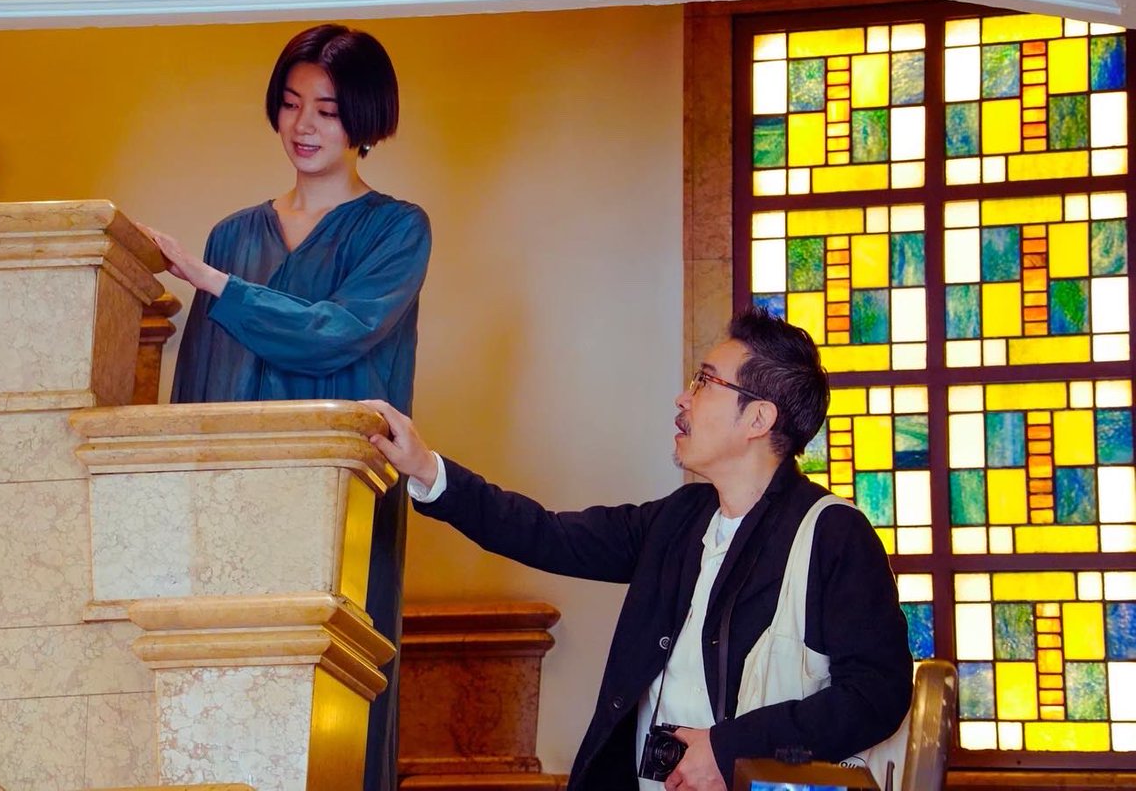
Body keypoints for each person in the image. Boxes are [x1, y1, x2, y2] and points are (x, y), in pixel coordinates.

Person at [363, 308, 913, 791]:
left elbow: (877, 694)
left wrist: (728, 750)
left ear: (758, 418)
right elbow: (547, 534)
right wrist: (426, 469)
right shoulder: (678, 519)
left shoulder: (833, 533)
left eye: (704, 382)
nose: (682, 397)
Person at [140, 23, 431, 791]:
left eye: (328, 110)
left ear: (364, 119)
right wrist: (181, 508)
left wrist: (213, 283)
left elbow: (336, 334)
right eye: (292, 103)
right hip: (230, 503)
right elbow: (199, 384)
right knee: (221, 701)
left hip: (340, 505)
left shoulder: (396, 229)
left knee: (333, 700)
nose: (304, 125)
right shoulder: (233, 235)